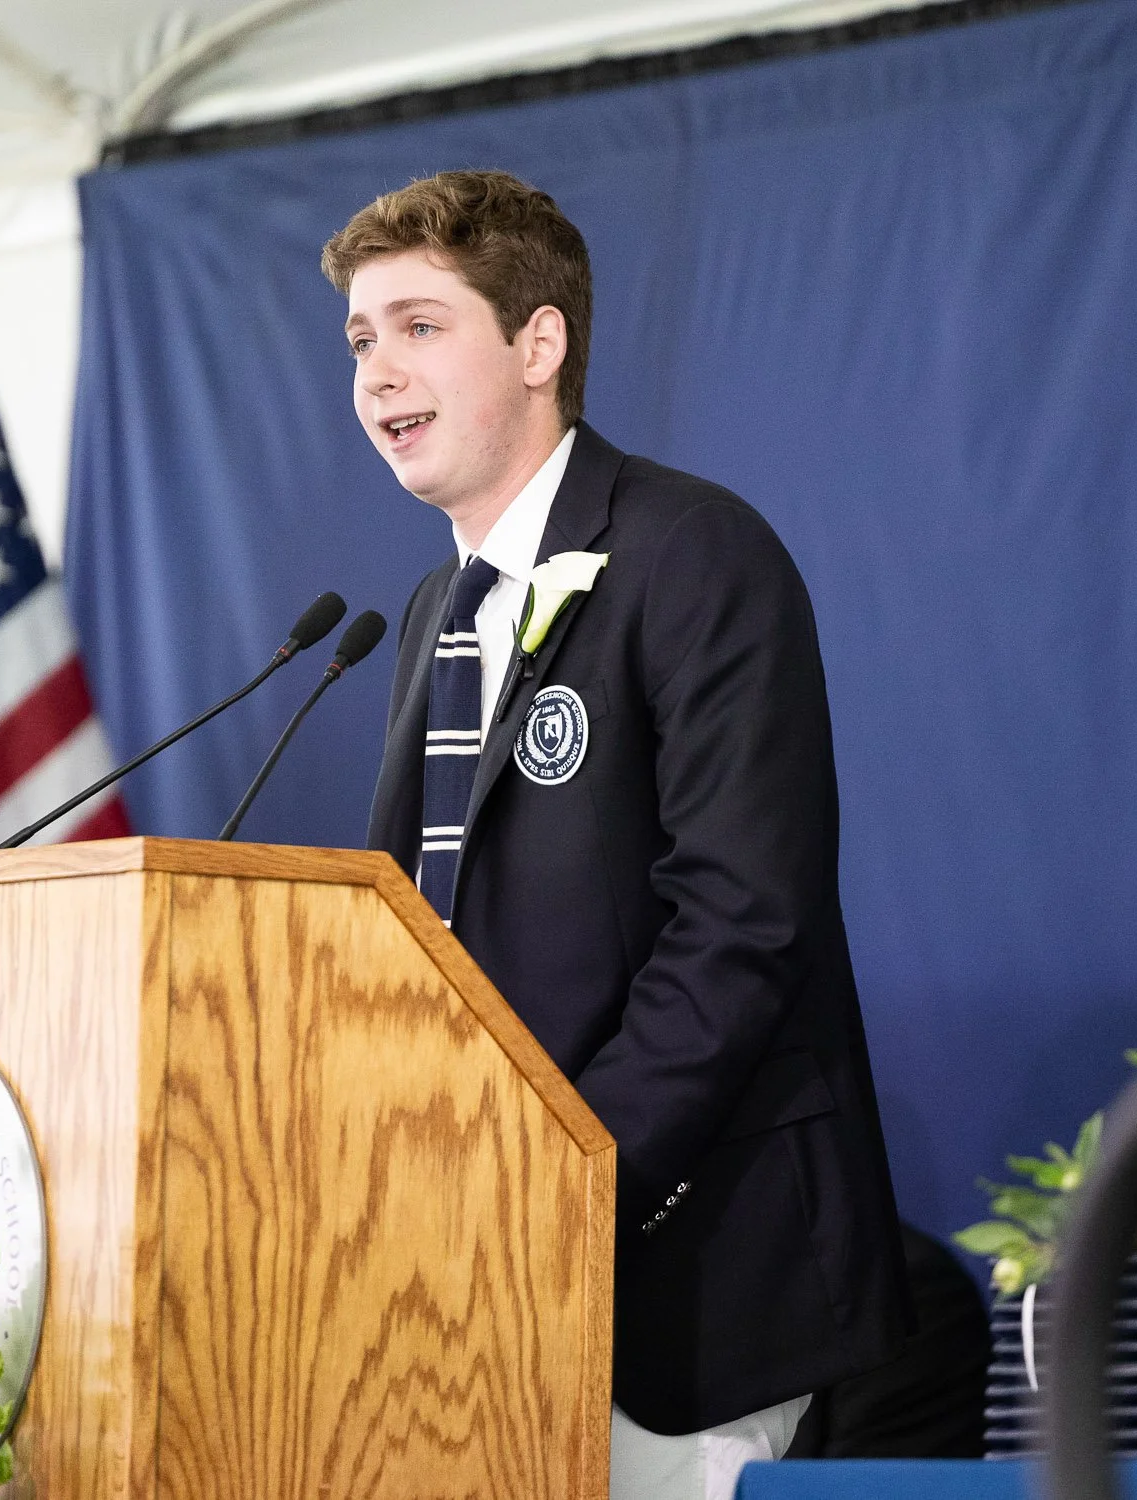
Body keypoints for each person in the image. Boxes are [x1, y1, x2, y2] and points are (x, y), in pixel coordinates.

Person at [324, 169, 914, 1500]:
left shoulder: (691, 553)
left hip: (682, 1273)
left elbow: (741, 920)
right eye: (361, 338)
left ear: (539, 345)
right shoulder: (432, 610)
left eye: (419, 326)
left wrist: (560, 1181)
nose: (375, 374)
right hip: (463, 1283)